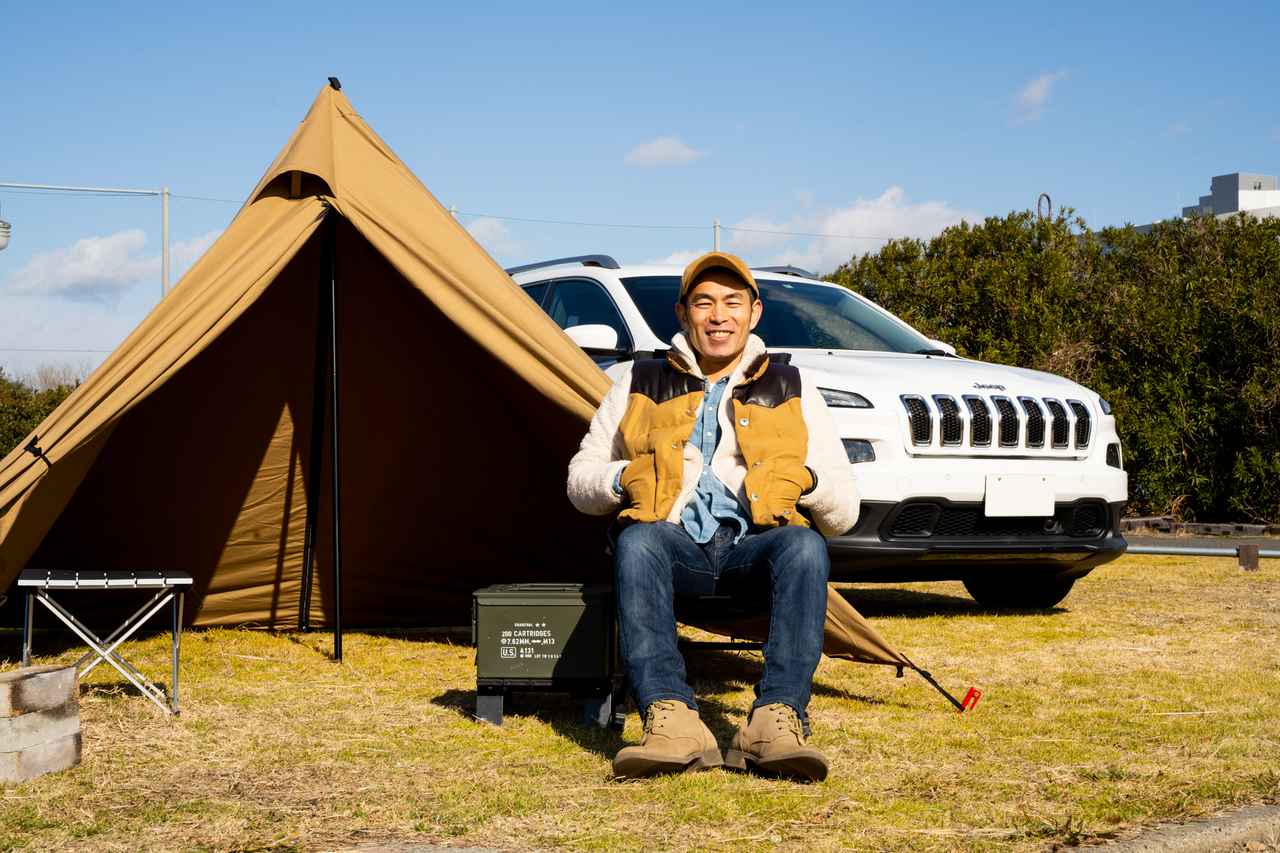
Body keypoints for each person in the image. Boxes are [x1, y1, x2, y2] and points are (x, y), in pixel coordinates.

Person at [566, 251, 859, 781]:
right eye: (703, 303)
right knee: (639, 540)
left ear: (754, 312)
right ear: (683, 313)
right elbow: (579, 482)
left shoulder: (793, 384)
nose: (718, 316)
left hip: (755, 548)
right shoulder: (636, 379)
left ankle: (775, 722)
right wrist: (622, 478)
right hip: (674, 545)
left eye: (732, 303)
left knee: (804, 545)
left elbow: (845, 509)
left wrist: (807, 482)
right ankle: (671, 722)